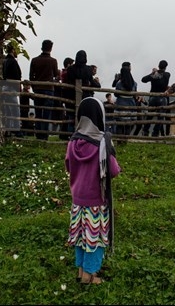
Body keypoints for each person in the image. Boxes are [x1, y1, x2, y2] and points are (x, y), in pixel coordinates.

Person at [65, 97, 121, 285]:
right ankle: (90, 275)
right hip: (96, 201)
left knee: (80, 235)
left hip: (77, 200)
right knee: (94, 238)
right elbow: (113, 171)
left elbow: (68, 166)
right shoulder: (102, 144)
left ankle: (81, 271)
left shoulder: (72, 142)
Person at [29, 39, 60, 140]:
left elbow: (31, 77)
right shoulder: (53, 61)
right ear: (51, 48)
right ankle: (44, 135)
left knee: (38, 112)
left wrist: (34, 87)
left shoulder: (34, 60)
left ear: (42, 47)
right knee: (47, 113)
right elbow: (56, 75)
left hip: (38, 89)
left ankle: (38, 134)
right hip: (49, 89)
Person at [140, 60, 171, 137]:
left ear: (158, 65)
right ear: (165, 67)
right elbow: (162, 75)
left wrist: (153, 72)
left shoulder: (153, 75)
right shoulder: (167, 75)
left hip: (153, 97)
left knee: (149, 116)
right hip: (162, 98)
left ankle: (145, 131)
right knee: (160, 117)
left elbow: (143, 80)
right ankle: (155, 133)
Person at [2, 42, 22, 137]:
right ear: (13, 50)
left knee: (7, 110)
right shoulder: (12, 61)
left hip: (4, 86)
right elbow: (16, 75)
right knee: (15, 110)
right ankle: (16, 130)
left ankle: (8, 129)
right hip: (11, 87)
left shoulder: (4, 61)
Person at [113, 63, 137, 136]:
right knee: (128, 125)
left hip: (120, 104)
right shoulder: (134, 84)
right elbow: (134, 94)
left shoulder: (119, 84)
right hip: (131, 105)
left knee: (119, 125)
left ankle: (119, 141)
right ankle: (125, 140)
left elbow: (116, 94)